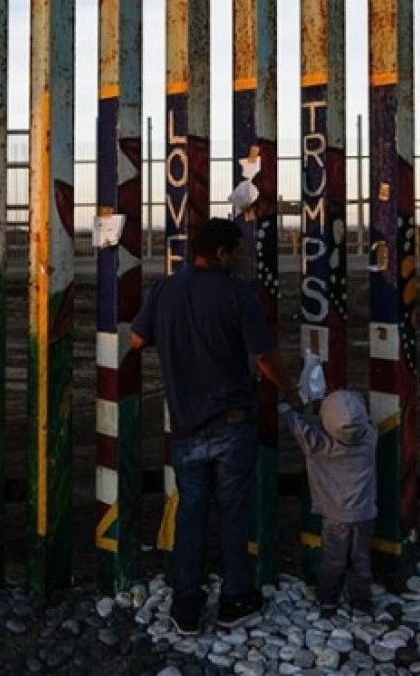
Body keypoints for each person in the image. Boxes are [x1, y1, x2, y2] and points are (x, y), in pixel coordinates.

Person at [131, 218, 300, 635]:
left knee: (191, 511)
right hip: (232, 422)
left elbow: (137, 339)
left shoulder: (165, 290)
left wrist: (175, 337)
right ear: (222, 254)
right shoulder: (239, 295)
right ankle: (234, 598)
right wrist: (292, 392)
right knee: (232, 511)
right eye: (239, 251)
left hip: (186, 424)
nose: (243, 258)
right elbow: (263, 358)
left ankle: (186, 606)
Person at [279, 390, 377, 618]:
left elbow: (297, 426)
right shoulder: (370, 438)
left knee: (333, 561)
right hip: (365, 514)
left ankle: (328, 601)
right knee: (361, 561)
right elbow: (366, 422)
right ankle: (361, 604)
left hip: (334, 517)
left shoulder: (318, 445)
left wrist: (285, 406)